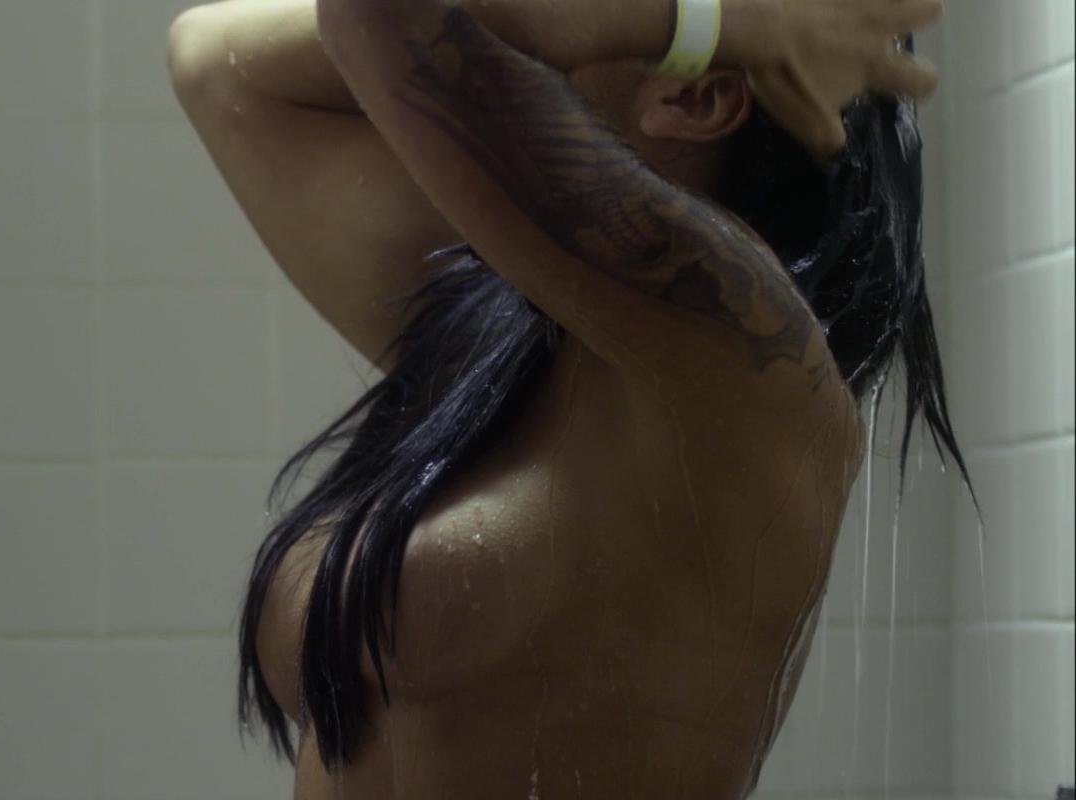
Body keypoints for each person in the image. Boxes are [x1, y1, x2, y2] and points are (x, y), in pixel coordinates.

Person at [167, 0, 974, 796]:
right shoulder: (505, 327)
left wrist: (701, 23)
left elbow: (376, 16)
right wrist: (703, 22)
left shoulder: (749, 359)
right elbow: (214, 61)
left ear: (696, 95)